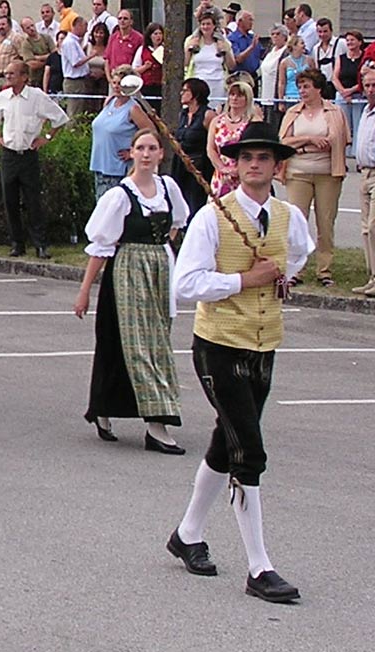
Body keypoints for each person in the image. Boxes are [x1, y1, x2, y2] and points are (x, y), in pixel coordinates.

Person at [165, 121, 311, 605]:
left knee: (225, 442)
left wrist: (283, 277)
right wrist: (244, 280)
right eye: (246, 157)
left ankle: (187, 533)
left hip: (264, 343)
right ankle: (259, 566)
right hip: (219, 345)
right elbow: (186, 284)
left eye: (263, 157)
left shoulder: (288, 216)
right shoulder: (215, 217)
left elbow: (298, 256)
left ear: (276, 165)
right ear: (234, 163)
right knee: (248, 449)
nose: (254, 164)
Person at [74, 129, 188, 453]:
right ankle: (156, 423)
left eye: (153, 148)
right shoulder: (120, 195)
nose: (147, 154)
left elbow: (177, 223)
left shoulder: (169, 188)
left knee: (158, 342)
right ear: (132, 153)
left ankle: (113, 408)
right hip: (127, 272)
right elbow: (100, 245)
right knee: (135, 346)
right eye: (141, 148)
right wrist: (84, 291)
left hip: (159, 269)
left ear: (161, 154)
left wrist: (161, 251)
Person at [0, 61, 69, 258]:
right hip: (10, 155)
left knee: (33, 201)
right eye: (6, 74)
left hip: (28, 155)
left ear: (24, 76)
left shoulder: (36, 97)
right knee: (10, 201)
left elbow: (60, 118)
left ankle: (40, 244)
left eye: (12, 74)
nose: (8, 77)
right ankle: (17, 242)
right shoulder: (4, 97)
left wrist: (47, 137)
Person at [278, 68, 348, 288]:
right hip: (298, 173)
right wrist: (308, 140)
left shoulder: (334, 112)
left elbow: (337, 139)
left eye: (307, 86)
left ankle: (324, 269)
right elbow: (284, 141)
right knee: (297, 222)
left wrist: (305, 144)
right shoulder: (293, 113)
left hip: (327, 172)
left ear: (318, 88)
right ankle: (296, 269)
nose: (303, 91)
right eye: (300, 87)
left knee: (325, 223)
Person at [89, 65, 155, 197]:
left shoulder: (133, 109)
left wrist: (132, 153)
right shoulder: (109, 102)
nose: (116, 86)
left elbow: (151, 132)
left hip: (118, 168)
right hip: (100, 165)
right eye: (114, 82)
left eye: (120, 83)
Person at [207, 79, 262, 198]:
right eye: (232, 94)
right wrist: (222, 168)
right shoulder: (217, 121)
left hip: (246, 175)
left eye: (240, 95)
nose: (235, 98)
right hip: (222, 176)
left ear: (247, 99)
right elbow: (211, 149)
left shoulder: (254, 121)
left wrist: (239, 169)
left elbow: (258, 149)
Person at [173, 79, 217, 216]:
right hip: (180, 164)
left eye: (186, 90)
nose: (182, 93)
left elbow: (215, 140)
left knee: (195, 202)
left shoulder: (207, 115)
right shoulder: (183, 114)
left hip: (200, 165)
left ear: (196, 94)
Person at [354, 69, 375, 296]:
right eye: (367, 85)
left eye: (374, 85)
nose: (370, 90)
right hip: (365, 173)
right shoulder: (365, 111)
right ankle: (372, 276)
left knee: (374, 225)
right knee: (366, 230)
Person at [186, 10, 234, 107]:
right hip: (199, 82)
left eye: (208, 24)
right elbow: (185, 63)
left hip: (218, 83)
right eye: (203, 24)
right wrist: (188, 50)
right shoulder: (192, 40)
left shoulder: (224, 42)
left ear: (214, 26)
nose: (205, 27)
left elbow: (231, 66)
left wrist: (226, 51)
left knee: (216, 109)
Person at [60, 17, 91, 116]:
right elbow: (76, 62)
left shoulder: (75, 42)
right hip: (74, 82)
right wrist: (91, 56)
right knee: (74, 110)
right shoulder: (69, 42)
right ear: (78, 26)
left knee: (80, 109)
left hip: (79, 81)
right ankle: (71, 130)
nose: (86, 30)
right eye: (85, 27)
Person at [131, 23, 166, 113]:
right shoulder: (142, 49)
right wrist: (145, 67)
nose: (158, 36)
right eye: (155, 34)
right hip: (146, 86)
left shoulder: (165, 49)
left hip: (160, 86)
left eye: (160, 33)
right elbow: (134, 70)